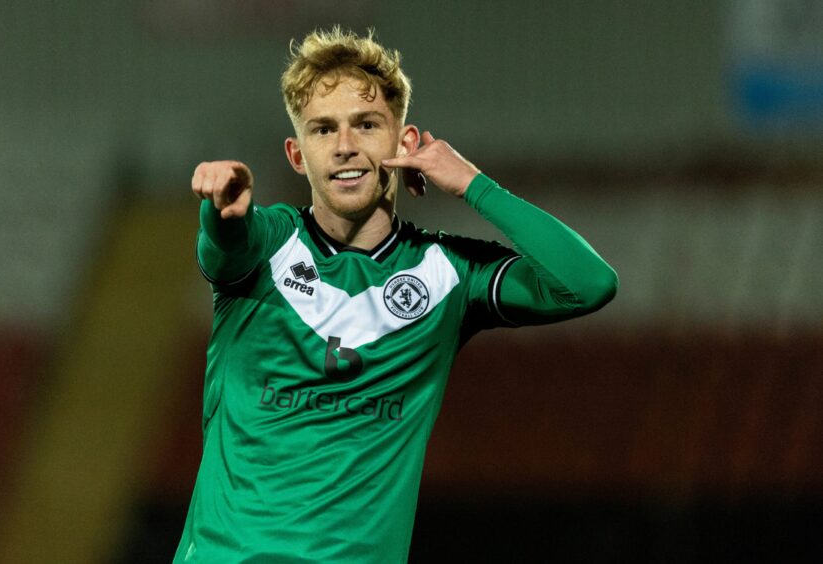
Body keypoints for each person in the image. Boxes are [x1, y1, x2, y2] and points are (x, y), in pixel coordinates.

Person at [175, 26, 618, 563]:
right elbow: (225, 243)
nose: (344, 147)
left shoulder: (448, 273)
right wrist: (219, 207)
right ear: (297, 154)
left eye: (366, 125)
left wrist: (472, 184)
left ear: (404, 142)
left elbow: (589, 285)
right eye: (322, 130)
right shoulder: (267, 243)